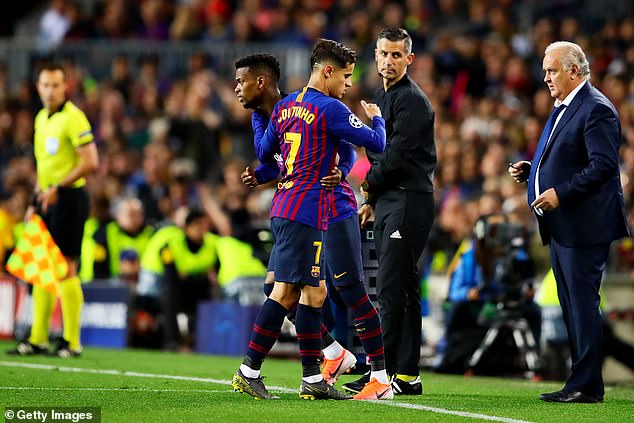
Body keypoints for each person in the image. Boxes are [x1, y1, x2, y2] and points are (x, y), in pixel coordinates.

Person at [232, 40, 386, 401]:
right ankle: (249, 370)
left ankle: (318, 373)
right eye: (346, 76)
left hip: (302, 206)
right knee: (285, 292)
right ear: (328, 72)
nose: (349, 84)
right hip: (306, 209)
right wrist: (377, 118)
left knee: (314, 292)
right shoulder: (329, 108)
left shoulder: (285, 107)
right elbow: (376, 143)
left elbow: (270, 153)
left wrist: (336, 170)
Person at [508, 41, 629, 403]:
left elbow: (603, 165)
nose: (546, 77)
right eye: (545, 70)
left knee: (582, 304)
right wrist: (534, 172)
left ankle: (587, 385)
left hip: (584, 225)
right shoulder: (565, 106)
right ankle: (580, 380)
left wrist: (560, 192)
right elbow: (566, 158)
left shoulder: (596, 108)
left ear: (574, 71)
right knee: (572, 305)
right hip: (564, 225)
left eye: (552, 70)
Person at [346, 27, 436, 396]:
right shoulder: (384, 97)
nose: (389, 60)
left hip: (408, 199)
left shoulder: (411, 100)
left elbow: (396, 158)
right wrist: (372, 201)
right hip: (391, 200)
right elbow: (381, 152)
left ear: (409, 59)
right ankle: (405, 375)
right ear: (376, 56)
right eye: (384, 54)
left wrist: (368, 187)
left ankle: (381, 374)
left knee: (389, 288)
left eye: (397, 55)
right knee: (402, 290)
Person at [8, 62, 99, 357]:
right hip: (47, 198)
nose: (50, 91)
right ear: (38, 87)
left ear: (65, 87)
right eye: (45, 85)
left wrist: (57, 187)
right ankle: (38, 338)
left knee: (66, 268)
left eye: (56, 85)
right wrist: (35, 200)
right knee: (42, 268)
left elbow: (91, 161)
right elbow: (44, 166)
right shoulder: (41, 119)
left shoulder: (74, 118)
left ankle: (72, 341)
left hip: (70, 198)